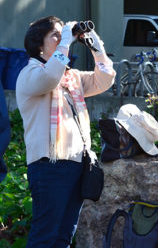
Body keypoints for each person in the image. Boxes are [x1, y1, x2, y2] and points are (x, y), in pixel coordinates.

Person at [16, 16, 116, 247]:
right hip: (48, 165)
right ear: (39, 44)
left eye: (64, 35)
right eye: (55, 35)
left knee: (64, 235)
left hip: (76, 163)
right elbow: (50, 77)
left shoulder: (71, 77)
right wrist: (67, 41)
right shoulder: (29, 75)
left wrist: (96, 46)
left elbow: (105, 79)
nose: (63, 39)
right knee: (45, 234)